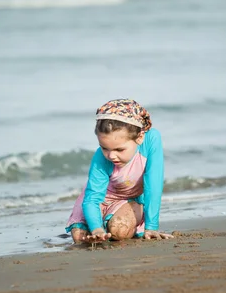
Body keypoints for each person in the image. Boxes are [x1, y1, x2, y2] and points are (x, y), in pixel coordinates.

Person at [66, 98, 173, 243]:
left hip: (129, 199)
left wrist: (151, 227)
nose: (111, 156)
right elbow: (92, 198)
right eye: (104, 148)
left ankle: (123, 223)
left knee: (119, 231)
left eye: (119, 149)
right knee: (79, 238)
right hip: (99, 199)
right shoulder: (100, 157)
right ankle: (101, 227)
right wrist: (96, 229)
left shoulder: (151, 140)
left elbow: (153, 184)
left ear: (139, 137)